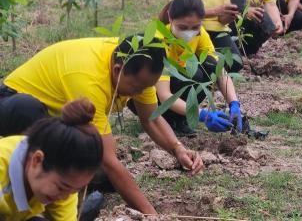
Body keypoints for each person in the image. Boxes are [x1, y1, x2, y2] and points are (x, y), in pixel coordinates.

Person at [0, 35, 203, 215]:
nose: (139, 93)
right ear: (117, 70)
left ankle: (65, 203)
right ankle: (32, 203)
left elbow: (151, 118)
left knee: (99, 173)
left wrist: (177, 149)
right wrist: (151, 214)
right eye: (136, 87)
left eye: (145, 88)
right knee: (95, 167)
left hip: (59, 120)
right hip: (14, 106)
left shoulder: (141, 68)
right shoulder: (90, 79)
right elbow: (108, 159)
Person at [146, 0, 243, 136]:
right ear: (170, 17)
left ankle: (179, 119)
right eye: (183, 27)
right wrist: (202, 114)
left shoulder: (200, 33)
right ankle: (168, 120)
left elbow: (218, 69)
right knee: (194, 74)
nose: (189, 33)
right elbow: (164, 95)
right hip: (151, 99)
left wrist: (234, 103)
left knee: (209, 64)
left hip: (175, 87)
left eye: (195, 27)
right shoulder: (158, 39)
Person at [0, 99, 103, 221]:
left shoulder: (66, 185)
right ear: (37, 160)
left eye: (74, 190)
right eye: (61, 187)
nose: (65, 197)